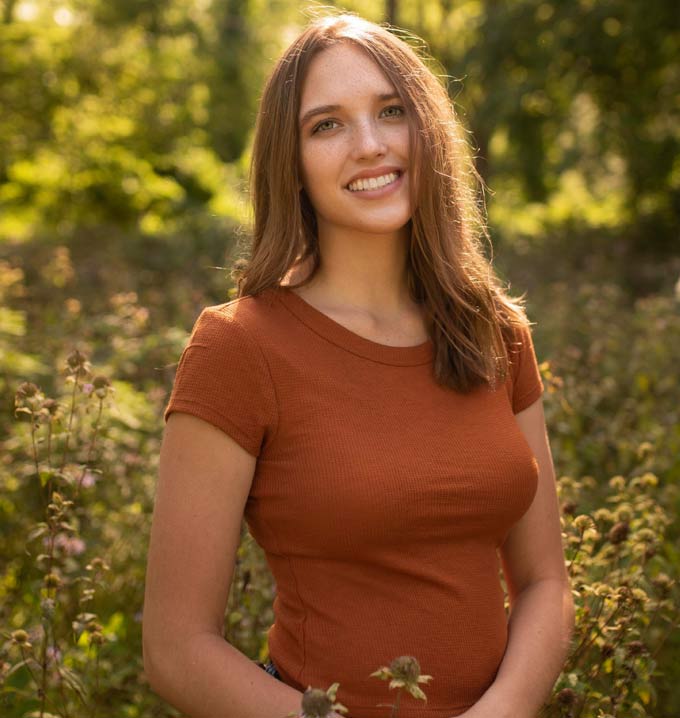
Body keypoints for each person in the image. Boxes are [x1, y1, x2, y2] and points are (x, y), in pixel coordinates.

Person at [142, 12, 574, 718]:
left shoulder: (493, 333)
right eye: (328, 125)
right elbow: (176, 647)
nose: (370, 145)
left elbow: (545, 584)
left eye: (390, 112)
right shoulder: (239, 347)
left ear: (427, 129)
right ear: (292, 162)